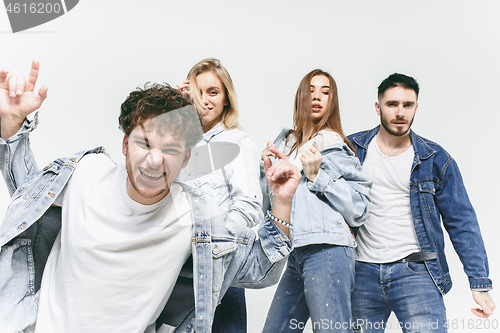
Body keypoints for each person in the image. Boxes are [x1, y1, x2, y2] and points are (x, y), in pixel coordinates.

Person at [0, 60, 301, 333]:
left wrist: (283, 201)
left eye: (170, 149)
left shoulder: (195, 218)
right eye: (144, 143)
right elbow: (29, 199)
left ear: (185, 159)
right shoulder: (86, 173)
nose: (154, 161)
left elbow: (262, 269)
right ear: (124, 144)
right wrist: (12, 126)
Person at [348, 73, 495, 333]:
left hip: (416, 272)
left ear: (416, 107)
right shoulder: (351, 150)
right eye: (392, 104)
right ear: (377, 107)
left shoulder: (436, 159)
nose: (400, 112)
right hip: (360, 272)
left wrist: (479, 282)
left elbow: (461, 221)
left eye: (408, 105)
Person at [261, 69, 372, 333]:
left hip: (328, 250)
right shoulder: (286, 145)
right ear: (301, 96)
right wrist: (263, 170)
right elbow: (268, 206)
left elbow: (359, 207)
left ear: (332, 101)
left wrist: (318, 176)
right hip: (296, 253)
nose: (317, 97)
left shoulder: (333, 144)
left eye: (325, 92)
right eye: (311, 90)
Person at [175, 58, 262, 333]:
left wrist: (217, 251)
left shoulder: (238, 142)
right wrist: (173, 108)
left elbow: (248, 205)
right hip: (173, 269)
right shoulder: (175, 143)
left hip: (219, 272)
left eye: (213, 92)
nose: (204, 101)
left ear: (226, 98)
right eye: (197, 93)